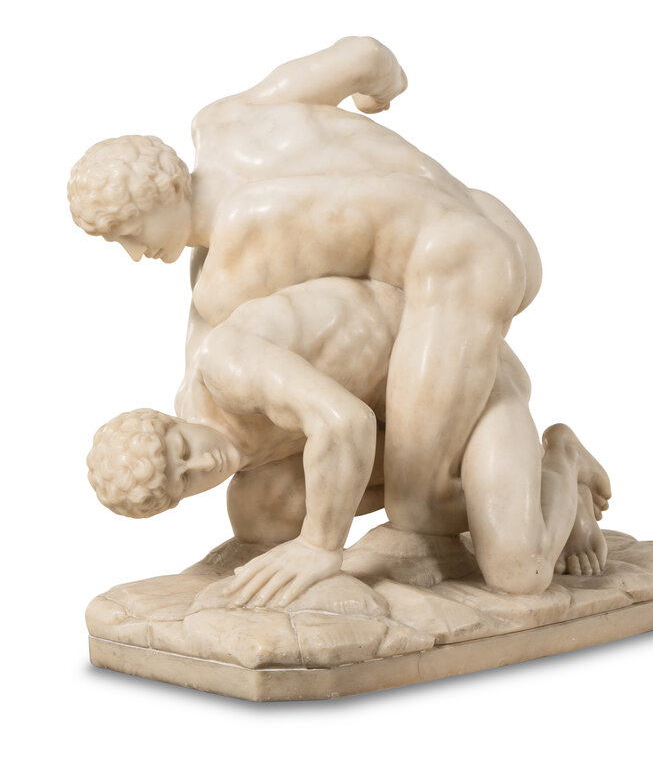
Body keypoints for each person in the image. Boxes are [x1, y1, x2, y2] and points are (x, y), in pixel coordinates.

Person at [68, 36, 544, 543]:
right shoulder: (223, 121)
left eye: (129, 234)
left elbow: (241, 347)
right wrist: (374, 96)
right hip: (491, 216)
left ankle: (536, 481)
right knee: (287, 492)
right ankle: (480, 462)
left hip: (462, 269)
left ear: (163, 192)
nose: (134, 254)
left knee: (421, 509)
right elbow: (367, 57)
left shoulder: (231, 270)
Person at [88, 276, 611, 609]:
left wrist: (320, 545)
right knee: (260, 516)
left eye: (183, 450)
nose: (204, 463)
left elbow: (346, 423)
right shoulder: (246, 485)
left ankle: (562, 462)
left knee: (520, 572)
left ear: (169, 419)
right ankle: (496, 501)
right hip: (405, 429)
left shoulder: (226, 368)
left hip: (458, 370)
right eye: (186, 481)